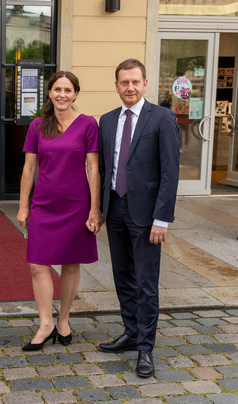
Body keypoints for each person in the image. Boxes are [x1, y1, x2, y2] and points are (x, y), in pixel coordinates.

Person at [98, 59, 179, 378]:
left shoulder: (161, 117)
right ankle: (131, 332)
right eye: (123, 82)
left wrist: (162, 218)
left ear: (145, 84)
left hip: (147, 215)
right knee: (122, 276)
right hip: (115, 209)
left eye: (134, 82)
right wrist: (99, 209)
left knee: (146, 282)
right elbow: (105, 170)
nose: (129, 87)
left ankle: (145, 347)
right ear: (116, 85)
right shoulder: (106, 121)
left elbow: (170, 173)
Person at [17, 71, 101, 352]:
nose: (62, 94)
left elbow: (93, 168)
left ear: (75, 94)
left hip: (77, 206)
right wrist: (22, 205)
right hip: (44, 205)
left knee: (71, 263)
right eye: (57, 89)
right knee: (36, 263)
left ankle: (63, 320)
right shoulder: (38, 126)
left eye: (68, 90)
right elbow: (29, 168)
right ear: (49, 93)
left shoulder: (88, 124)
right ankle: (45, 324)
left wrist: (94, 208)